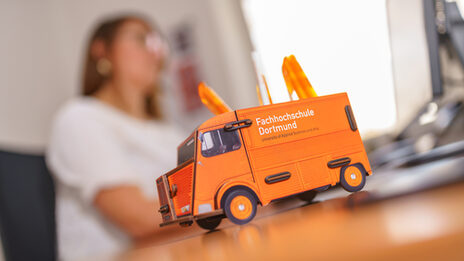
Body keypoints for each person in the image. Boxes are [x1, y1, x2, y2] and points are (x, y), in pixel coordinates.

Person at [46, 14, 186, 260]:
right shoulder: (79, 118)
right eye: (141, 39)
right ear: (102, 51)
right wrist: (220, 201)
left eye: (158, 43)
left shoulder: (168, 131)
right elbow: (138, 218)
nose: (156, 52)